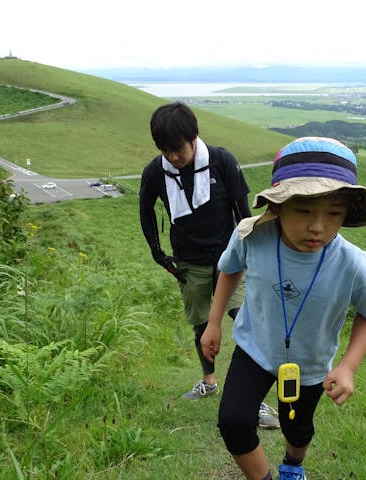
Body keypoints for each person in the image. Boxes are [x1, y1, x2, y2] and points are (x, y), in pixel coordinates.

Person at [200, 137, 366, 480]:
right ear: (277, 206)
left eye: (334, 214)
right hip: (255, 346)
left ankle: (293, 465)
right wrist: (213, 323)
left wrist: (347, 366)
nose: (318, 226)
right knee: (234, 422)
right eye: (303, 211)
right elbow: (229, 269)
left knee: (296, 429)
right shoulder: (250, 236)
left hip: (309, 364)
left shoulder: (354, 264)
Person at [139, 101, 279, 429]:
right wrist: (157, 253)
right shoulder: (155, 172)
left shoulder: (221, 161)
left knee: (244, 322)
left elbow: (243, 212)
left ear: (194, 137)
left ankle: (253, 398)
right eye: (165, 150)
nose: (173, 156)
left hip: (230, 259)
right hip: (188, 261)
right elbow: (145, 209)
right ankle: (210, 381)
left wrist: (252, 252)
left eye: (178, 148)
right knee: (202, 325)